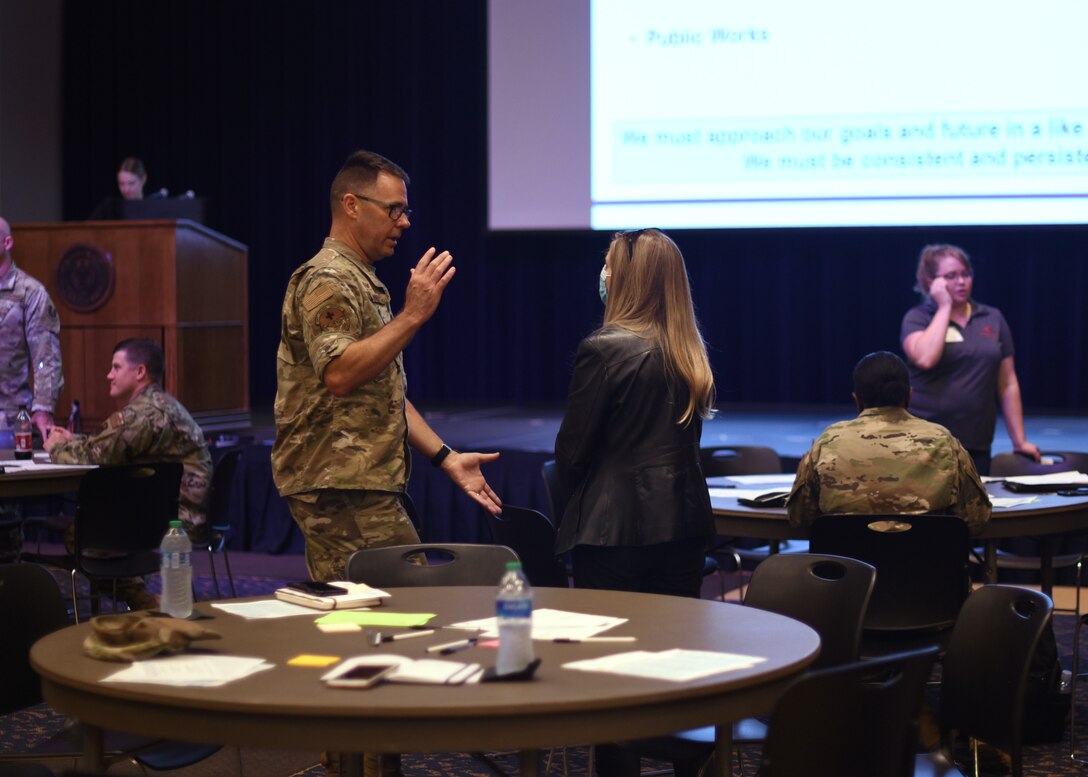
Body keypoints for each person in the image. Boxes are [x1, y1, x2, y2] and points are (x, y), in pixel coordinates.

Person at [272, 149, 502, 584]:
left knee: (377, 613)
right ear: (352, 205)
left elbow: (383, 392)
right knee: (403, 601)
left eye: (405, 210)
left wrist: (447, 458)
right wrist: (413, 315)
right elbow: (339, 373)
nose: (405, 222)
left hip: (357, 483)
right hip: (339, 485)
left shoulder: (359, 278)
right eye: (393, 209)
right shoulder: (329, 279)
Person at [554, 229, 716, 597]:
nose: (603, 274)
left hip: (614, 532)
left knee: (614, 647)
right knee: (677, 643)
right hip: (684, 527)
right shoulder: (689, 351)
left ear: (628, 280)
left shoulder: (603, 349)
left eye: (608, 267)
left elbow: (571, 455)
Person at [45, 338, 212, 611]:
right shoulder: (160, 405)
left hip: (171, 523)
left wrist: (56, 447)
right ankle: (142, 599)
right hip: (177, 511)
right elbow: (110, 446)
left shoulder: (142, 414)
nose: (108, 375)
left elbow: (96, 455)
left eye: (116, 367)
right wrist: (76, 438)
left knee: (82, 533)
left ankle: (142, 601)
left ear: (139, 372)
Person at [787, 351, 991, 533]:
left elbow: (800, 518)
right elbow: (975, 518)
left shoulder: (829, 441)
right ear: (909, 396)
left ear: (857, 399)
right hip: (927, 573)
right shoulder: (943, 441)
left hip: (846, 574)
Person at [900, 243, 1039, 475]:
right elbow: (925, 358)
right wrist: (944, 307)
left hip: (976, 442)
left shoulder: (991, 317)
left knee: (974, 508)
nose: (961, 282)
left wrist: (1020, 441)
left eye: (965, 274)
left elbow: (1007, 383)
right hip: (925, 444)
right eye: (951, 276)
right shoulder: (918, 318)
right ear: (930, 282)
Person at [0, 215, 63, 439]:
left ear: (7, 243)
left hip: (8, 416)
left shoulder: (30, 292)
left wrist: (43, 407)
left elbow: (45, 356)